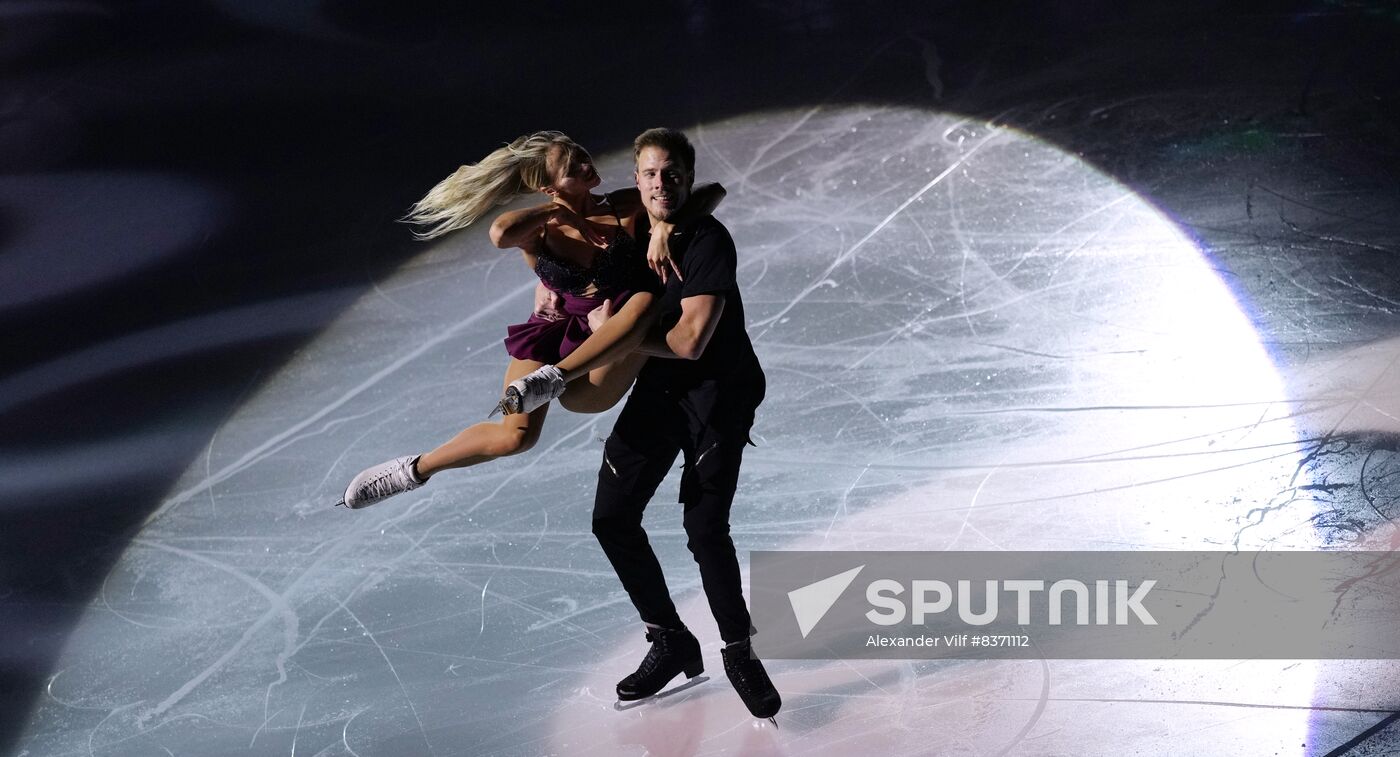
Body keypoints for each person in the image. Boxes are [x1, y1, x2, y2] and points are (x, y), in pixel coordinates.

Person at [513, 128, 780, 720]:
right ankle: (670, 637)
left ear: (686, 175)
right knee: (611, 518)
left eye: (672, 173)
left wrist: (621, 335)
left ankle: (739, 651)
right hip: (660, 391)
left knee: (704, 527)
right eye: (651, 174)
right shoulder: (634, 234)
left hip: (718, 394)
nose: (662, 183)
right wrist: (557, 294)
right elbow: (568, 262)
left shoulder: (709, 241)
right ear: (636, 181)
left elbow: (687, 341)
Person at [336, 131, 722, 509]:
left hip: (611, 334)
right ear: (549, 188)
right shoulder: (539, 229)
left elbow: (710, 192)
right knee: (515, 436)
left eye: (582, 154)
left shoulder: (623, 208)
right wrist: (557, 210)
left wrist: (665, 228)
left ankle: (555, 378)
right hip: (553, 330)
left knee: (644, 300)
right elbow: (500, 232)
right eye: (573, 167)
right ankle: (412, 471)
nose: (588, 165)